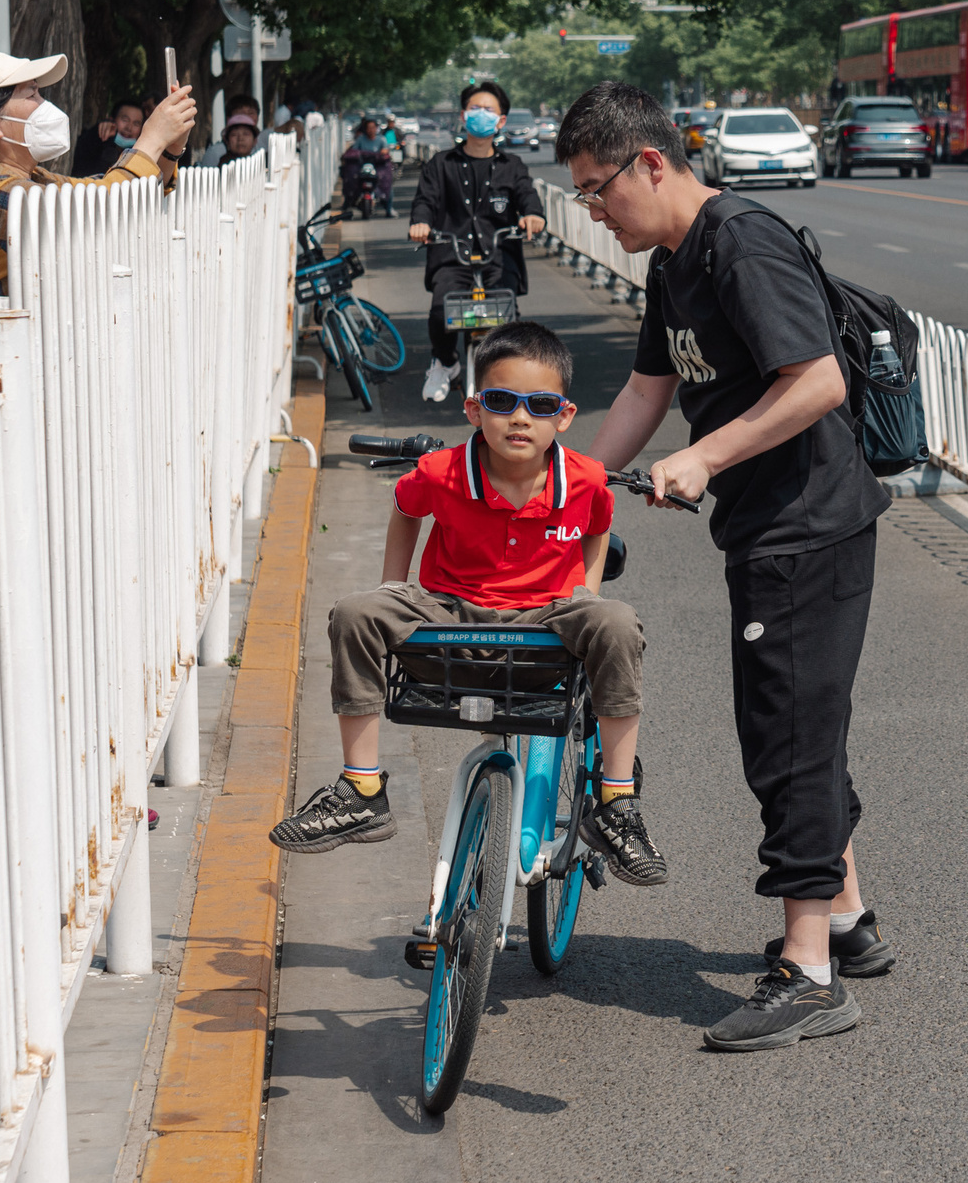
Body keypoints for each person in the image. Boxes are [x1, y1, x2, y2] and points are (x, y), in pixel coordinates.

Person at [562, 79, 895, 1054]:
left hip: (809, 525)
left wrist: (704, 457)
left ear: (650, 164)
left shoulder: (741, 240)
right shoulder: (673, 263)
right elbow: (646, 388)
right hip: (766, 526)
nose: (590, 210)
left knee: (784, 734)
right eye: (580, 195)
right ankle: (845, 920)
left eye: (595, 190)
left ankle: (809, 974)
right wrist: (570, 480)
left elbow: (819, 380)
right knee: (798, 722)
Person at [268, 320, 668, 890]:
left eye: (540, 404)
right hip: (448, 616)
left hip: (542, 624)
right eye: (502, 401)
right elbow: (407, 511)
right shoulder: (441, 471)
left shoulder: (585, 480)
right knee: (357, 611)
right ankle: (361, 789)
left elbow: (597, 529)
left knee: (616, 622)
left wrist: (586, 593)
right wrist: (393, 588)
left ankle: (616, 802)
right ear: (475, 409)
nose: (521, 417)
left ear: (565, 415)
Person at [0, 51, 200, 290]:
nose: (43, 104)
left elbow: (119, 192)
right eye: (31, 94)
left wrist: (169, 148)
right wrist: (152, 138)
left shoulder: (33, 180)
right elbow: (107, 208)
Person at [409, 80, 544, 403]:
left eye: (488, 110)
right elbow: (425, 200)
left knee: (507, 320)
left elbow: (527, 195)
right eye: (475, 108)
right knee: (442, 311)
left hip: (499, 258)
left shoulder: (512, 166)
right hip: (451, 256)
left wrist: (533, 215)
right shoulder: (440, 164)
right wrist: (421, 222)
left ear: (501, 121)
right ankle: (446, 362)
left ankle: (506, 379)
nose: (480, 114)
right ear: (463, 115)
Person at [76, 98, 148, 177]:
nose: (129, 128)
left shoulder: (141, 157)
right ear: (112, 120)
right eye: (125, 120)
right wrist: (96, 133)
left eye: (136, 124)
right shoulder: (93, 141)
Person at [340, 117, 391, 219]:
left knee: (387, 184)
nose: (371, 130)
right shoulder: (360, 140)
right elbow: (353, 152)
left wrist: (383, 153)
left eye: (373, 127)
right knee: (350, 181)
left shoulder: (381, 139)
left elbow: (386, 151)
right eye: (369, 128)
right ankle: (347, 204)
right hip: (362, 167)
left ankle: (389, 208)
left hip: (377, 167)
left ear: (376, 128)